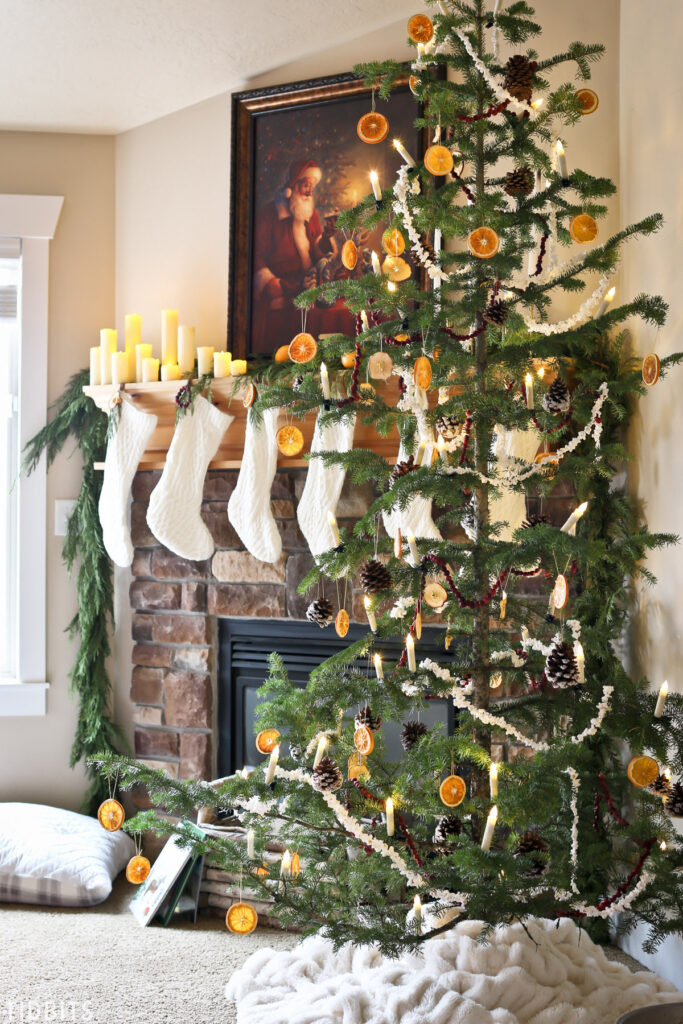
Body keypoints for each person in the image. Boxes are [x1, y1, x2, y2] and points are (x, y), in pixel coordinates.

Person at [252, 159, 353, 353]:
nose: (309, 191)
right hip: (282, 289)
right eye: (306, 185)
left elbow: (316, 250)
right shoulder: (268, 214)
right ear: (292, 186)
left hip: (309, 286)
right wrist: (270, 281)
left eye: (312, 187)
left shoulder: (311, 213)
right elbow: (256, 256)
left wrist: (327, 236)